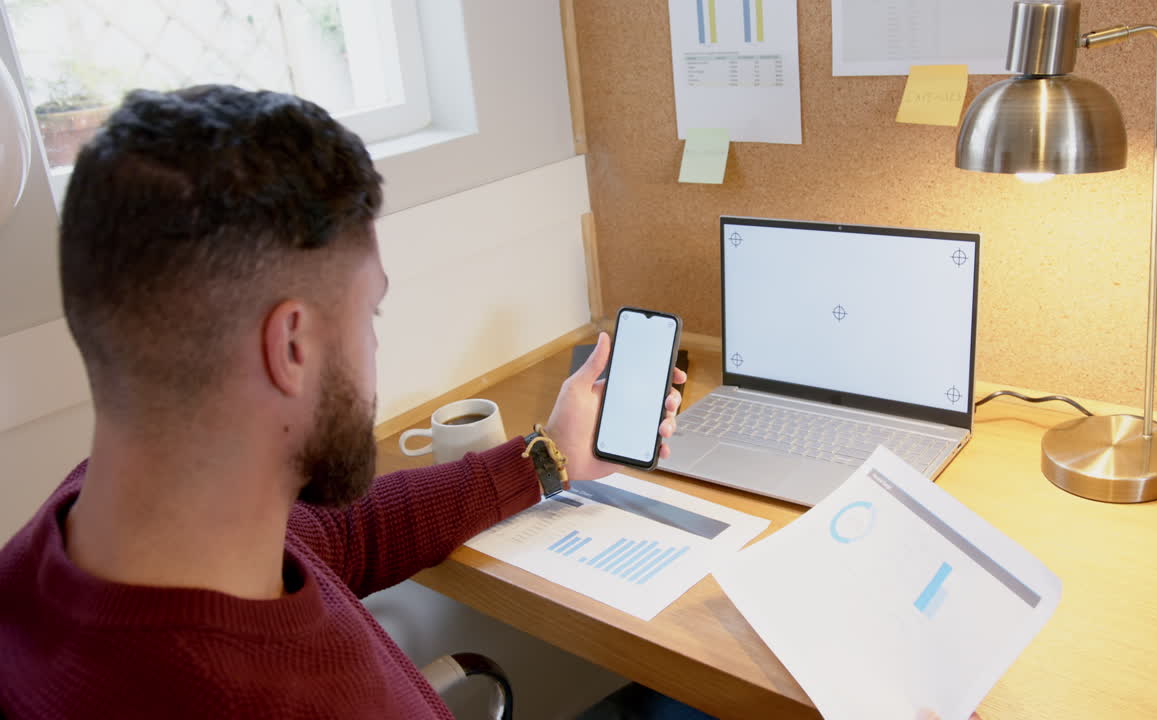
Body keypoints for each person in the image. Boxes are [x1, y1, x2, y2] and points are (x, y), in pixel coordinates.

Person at [0, 85, 685, 718]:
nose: (373, 348)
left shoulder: (82, 533)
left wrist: (551, 458)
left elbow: (344, 533)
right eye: (371, 316)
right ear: (292, 346)